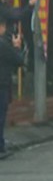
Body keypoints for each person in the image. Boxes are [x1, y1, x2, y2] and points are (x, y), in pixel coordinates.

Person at [0, 10, 26, 160]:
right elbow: (18, 60)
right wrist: (16, 46)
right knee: (0, 116)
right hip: (1, 84)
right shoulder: (3, 45)